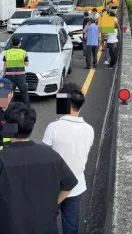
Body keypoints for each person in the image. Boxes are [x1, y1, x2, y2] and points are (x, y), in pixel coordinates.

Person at [0, 103, 78, 234]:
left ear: (9, 127)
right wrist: (53, 204)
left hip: (9, 226)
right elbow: (69, 184)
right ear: (31, 127)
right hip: (44, 225)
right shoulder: (51, 155)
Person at [43, 83, 94, 234]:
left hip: (53, 187)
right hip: (76, 186)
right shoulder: (89, 129)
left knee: (48, 221)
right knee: (71, 225)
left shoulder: (53, 127)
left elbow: (45, 158)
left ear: (64, 103)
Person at [2, 35, 31, 107]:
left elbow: (5, 65)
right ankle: (28, 110)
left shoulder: (7, 52)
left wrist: (3, 74)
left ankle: (5, 111)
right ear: (19, 43)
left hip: (9, 77)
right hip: (20, 77)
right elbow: (27, 64)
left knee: (9, 94)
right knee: (24, 94)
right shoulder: (23, 52)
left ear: (12, 43)